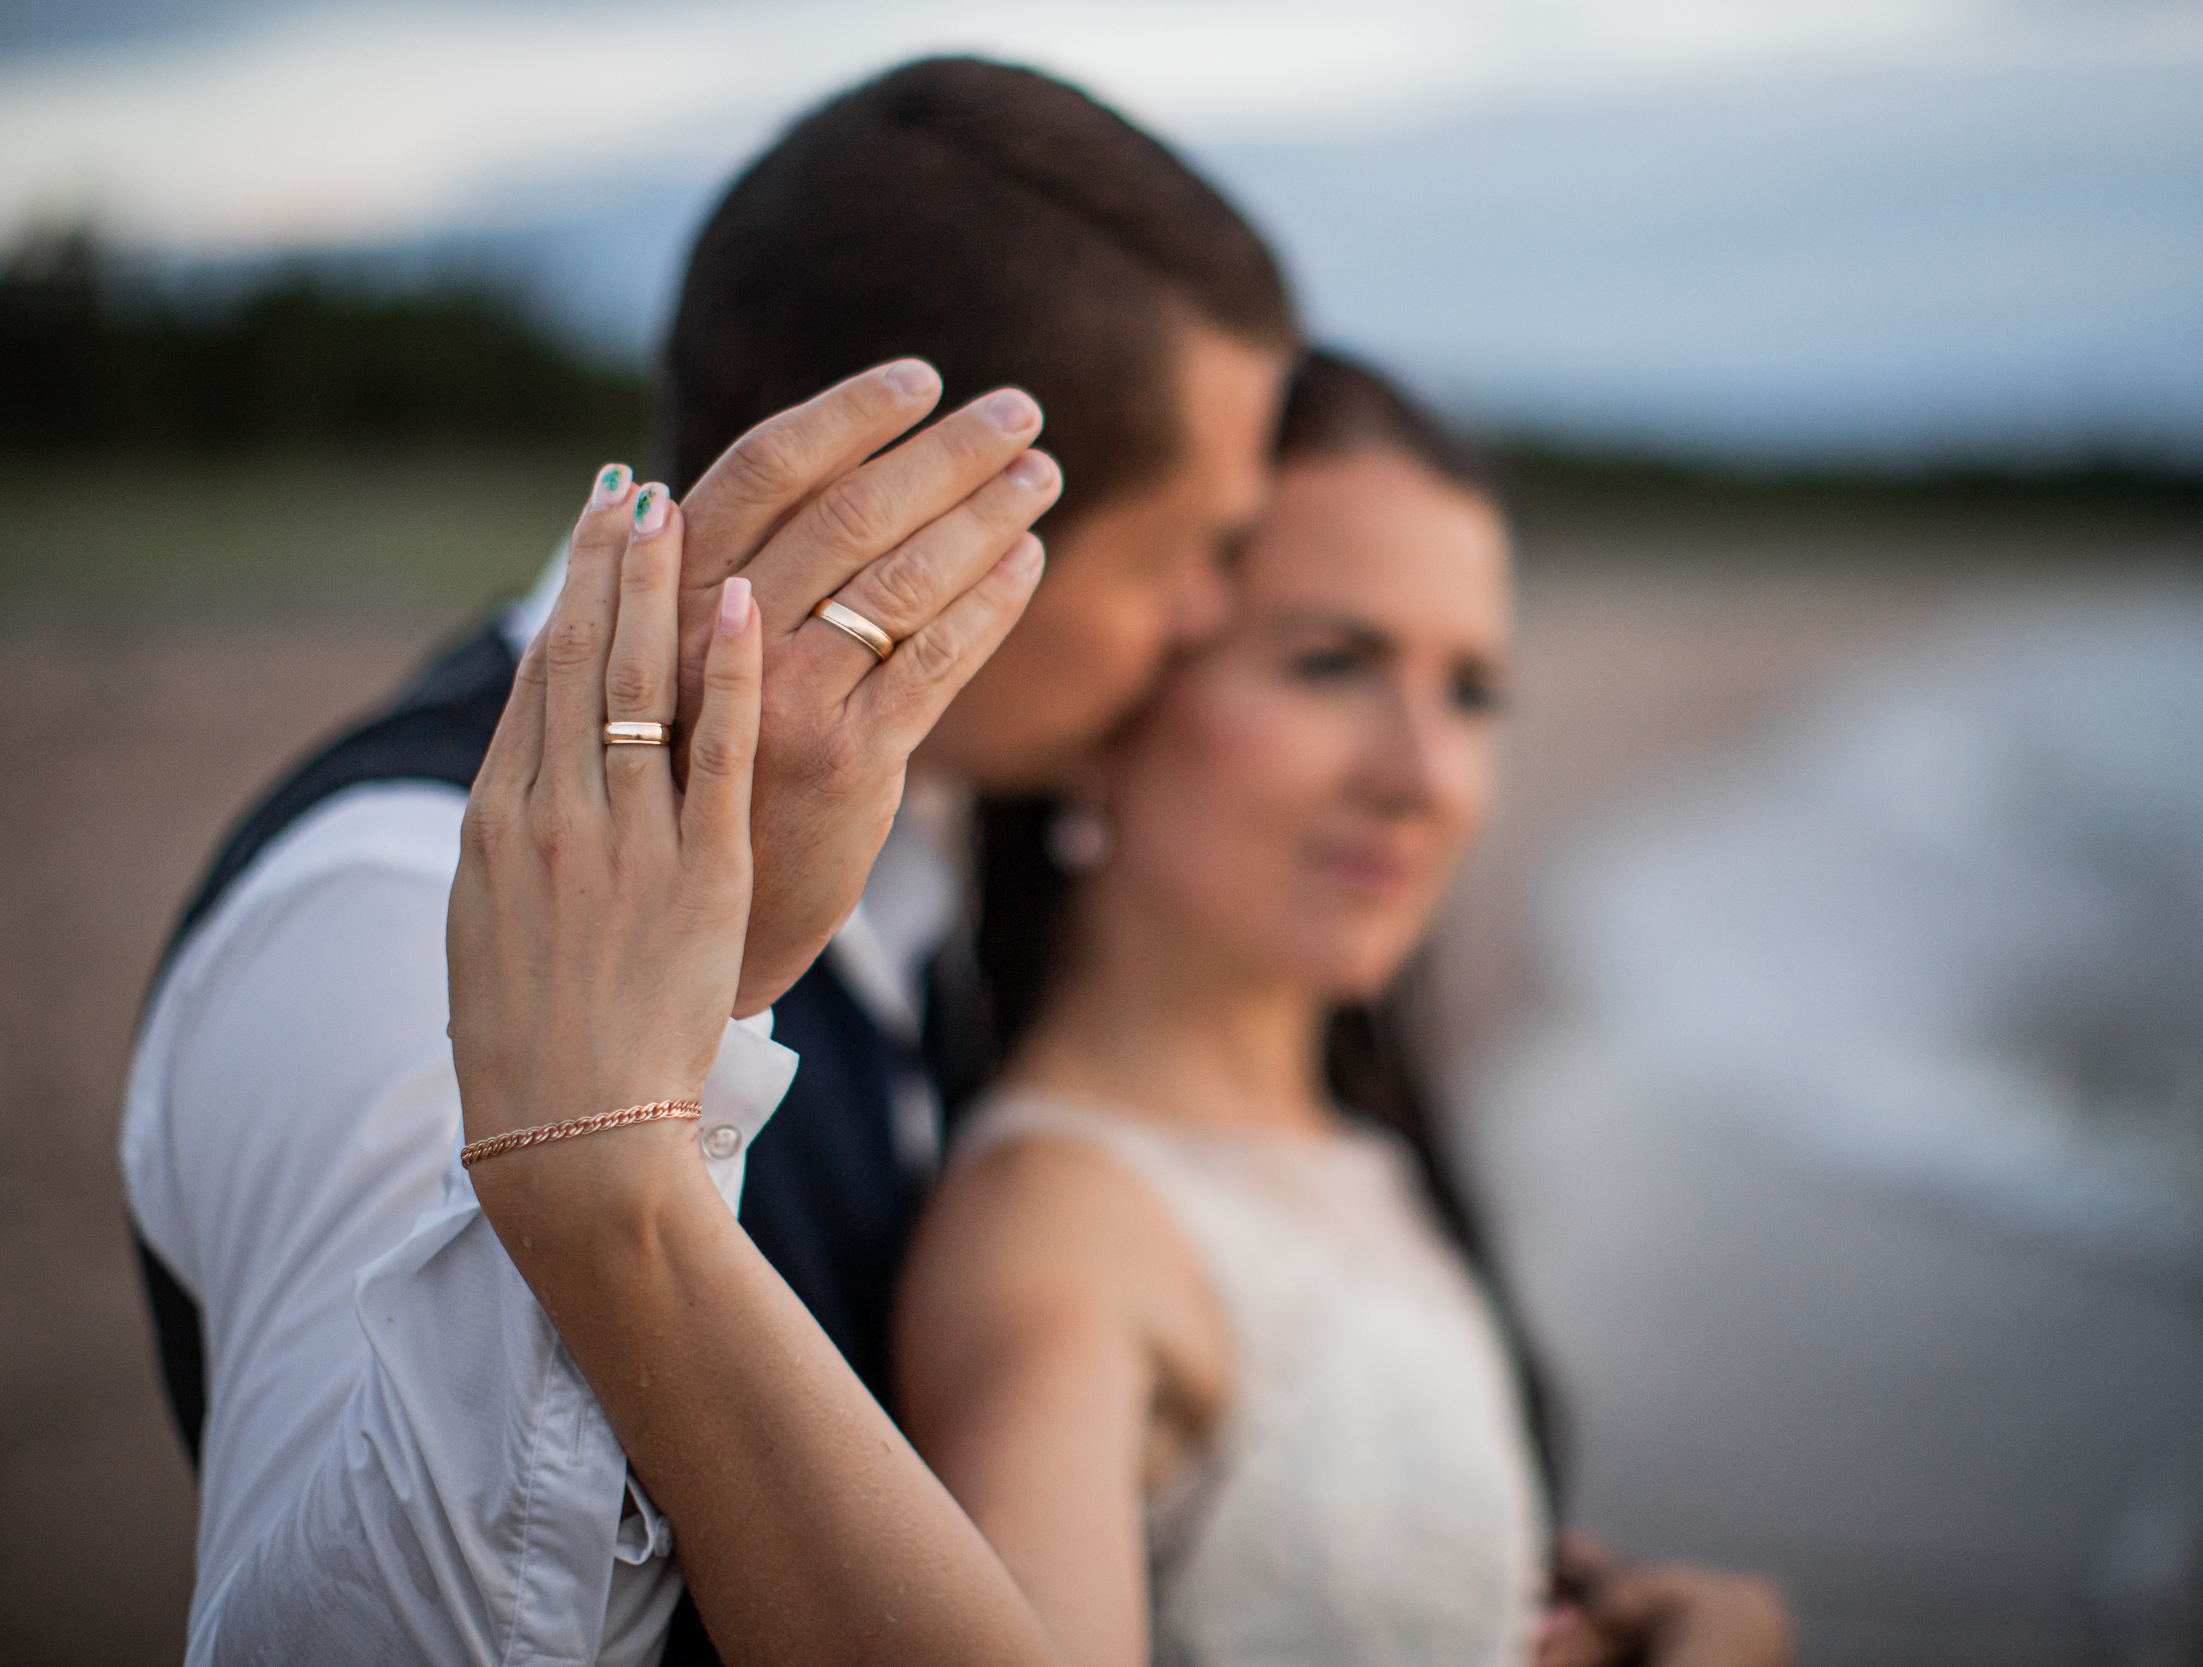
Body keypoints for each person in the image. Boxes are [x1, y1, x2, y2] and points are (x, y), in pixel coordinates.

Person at [123, 57, 1294, 1664]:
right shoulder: (396, 917)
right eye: (1185, 558)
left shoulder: (896, 862)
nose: (1209, 626)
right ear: (913, 527)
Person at [442, 349, 1795, 1666]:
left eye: (1473, 690)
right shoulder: (1061, 1230)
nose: (1425, 773)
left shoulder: (1354, 1142)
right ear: (1100, 709)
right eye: (1331, 664)